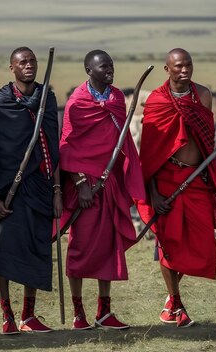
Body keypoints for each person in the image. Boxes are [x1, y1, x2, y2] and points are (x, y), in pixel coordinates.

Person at [137, 48, 216, 328]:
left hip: (197, 179)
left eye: (188, 65)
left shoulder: (204, 96)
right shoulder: (157, 101)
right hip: (166, 180)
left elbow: (205, 138)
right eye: (178, 67)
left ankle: (170, 301)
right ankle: (175, 303)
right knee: (170, 244)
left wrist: (209, 176)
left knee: (199, 243)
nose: (184, 70)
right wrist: (153, 193)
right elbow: (148, 153)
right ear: (167, 69)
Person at [59, 49, 145, 330]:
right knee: (80, 248)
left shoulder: (117, 97)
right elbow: (67, 147)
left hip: (109, 185)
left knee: (109, 248)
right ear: (89, 70)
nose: (110, 70)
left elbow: (121, 142)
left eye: (112, 65)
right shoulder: (77, 103)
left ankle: (104, 313)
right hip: (85, 189)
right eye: (104, 66)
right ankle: (78, 313)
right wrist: (81, 183)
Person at [0, 46, 60, 334]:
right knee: (6, 253)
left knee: (37, 249)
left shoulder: (46, 99)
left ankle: (28, 315)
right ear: (11, 68)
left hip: (40, 186)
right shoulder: (2, 102)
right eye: (22, 62)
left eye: (32, 61)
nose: (29, 65)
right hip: (10, 192)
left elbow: (53, 146)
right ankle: (7, 316)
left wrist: (56, 191)